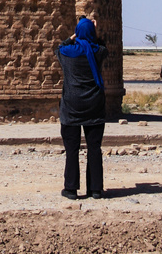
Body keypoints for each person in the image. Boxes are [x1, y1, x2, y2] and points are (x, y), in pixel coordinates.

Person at [57, 17, 108, 200]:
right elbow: (103, 46)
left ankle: (71, 189)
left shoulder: (67, 53)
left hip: (71, 106)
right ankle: (95, 189)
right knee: (94, 148)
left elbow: (59, 47)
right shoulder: (97, 52)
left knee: (72, 149)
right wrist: (96, 32)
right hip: (94, 106)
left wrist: (73, 37)